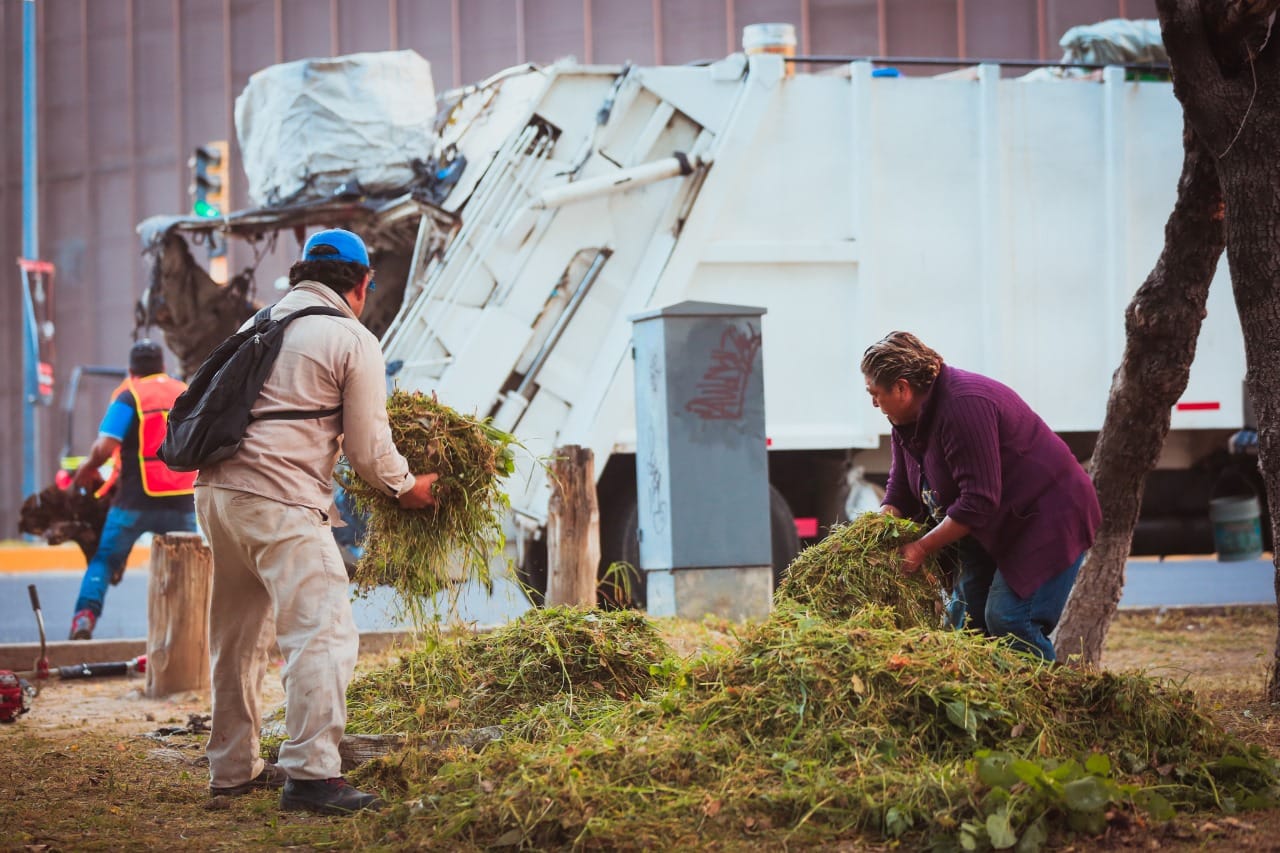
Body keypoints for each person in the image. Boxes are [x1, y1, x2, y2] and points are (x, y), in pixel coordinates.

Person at [195, 229, 439, 815]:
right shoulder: (351, 338)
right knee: (323, 633)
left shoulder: (261, 322)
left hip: (216, 495)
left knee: (236, 637)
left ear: (303, 275)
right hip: (280, 501)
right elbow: (368, 448)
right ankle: (310, 775)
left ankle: (231, 768)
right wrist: (408, 487)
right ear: (361, 285)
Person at [861, 331, 1101, 661]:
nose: (874, 402)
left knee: (1010, 619)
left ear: (902, 388)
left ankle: (1044, 704)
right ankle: (988, 705)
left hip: (1047, 516)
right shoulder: (907, 419)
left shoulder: (964, 406)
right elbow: (900, 489)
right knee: (966, 621)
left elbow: (978, 500)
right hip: (988, 526)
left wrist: (920, 547)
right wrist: (874, 534)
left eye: (875, 394)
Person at [69, 340, 198, 640]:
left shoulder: (130, 397)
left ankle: (85, 618)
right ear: (163, 367)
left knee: (104, 559)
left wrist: (88, 466)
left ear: (131, 371)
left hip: (134, 501)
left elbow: (105, 447)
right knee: (188, 567)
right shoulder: (185, 391)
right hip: (182, 501)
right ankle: (185, 634)